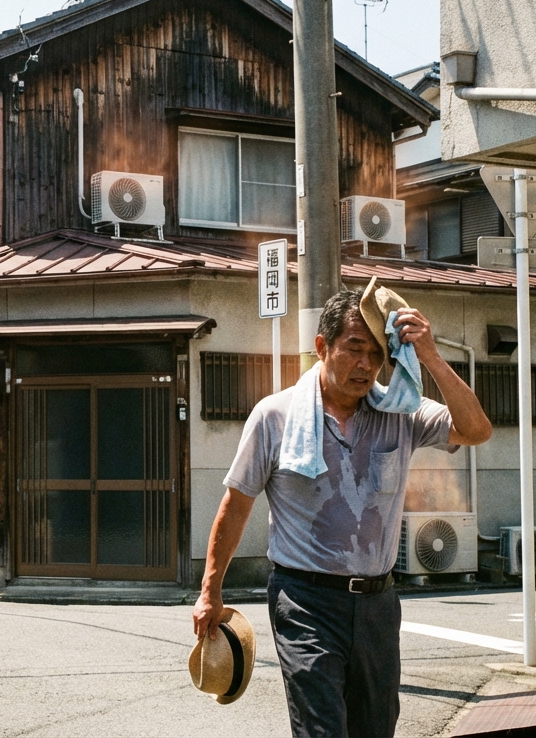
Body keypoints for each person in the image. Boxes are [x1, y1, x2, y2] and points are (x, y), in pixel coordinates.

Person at [192, 288, 492, 737]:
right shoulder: (275, 417)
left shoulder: (400, 412)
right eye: (354, 349)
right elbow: (236, 506)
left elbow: (476, 430)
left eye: (376, 354)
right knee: (322, 729)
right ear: (322, 348)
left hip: (377, 603)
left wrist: (429, 355)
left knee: (374, 728)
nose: (366, 365)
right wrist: (209, 591)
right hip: (304, 600)